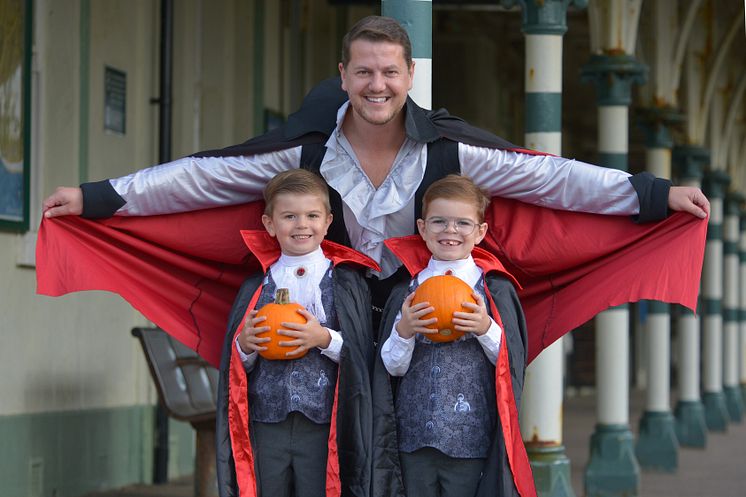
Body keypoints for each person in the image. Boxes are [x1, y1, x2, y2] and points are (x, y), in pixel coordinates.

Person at [42, 15, 709, 287]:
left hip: (429, 319)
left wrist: (654, 193)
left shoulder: (450, 153)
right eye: (363, 72)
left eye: (389, 73)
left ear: (408, 78)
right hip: (331, 326)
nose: (377, 85)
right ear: (343, 76)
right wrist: (95, 197)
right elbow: (203, 179)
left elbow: (552, 181)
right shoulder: (304, 153)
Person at [216, 169, 377, 497]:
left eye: (312, 215)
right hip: (267, 420)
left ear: (328, 221)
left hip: (324, 424)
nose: (302, 224)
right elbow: (236, 367)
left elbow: (363, 353)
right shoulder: (255, 286)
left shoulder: (346, 283)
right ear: (270, 224)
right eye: (290, 216)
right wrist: (245, 346)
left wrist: (324, 339)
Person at [373, 175, 532, 497]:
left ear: (480, 232)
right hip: (412, 436)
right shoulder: (405, 290)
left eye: (462, 223)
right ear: (422, 228)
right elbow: (390, 368)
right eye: (439, 221)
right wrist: (404, 332)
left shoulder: (493, 289)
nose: (450, 231)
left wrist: (485, 328)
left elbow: (511, 361)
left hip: (471, 437)